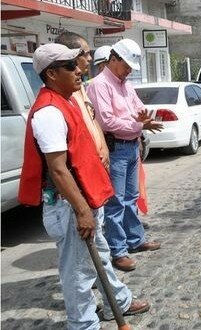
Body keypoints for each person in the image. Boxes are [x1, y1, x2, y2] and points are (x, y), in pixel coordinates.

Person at [18, 43, 150, 330]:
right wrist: (82, 211)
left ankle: (118, 302)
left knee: (99, 257)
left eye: (77, 64)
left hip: (85, 201)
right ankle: (83, 323)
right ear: (51, 74)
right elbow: (58, 169)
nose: (79, 70)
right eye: (70, 66)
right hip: (69, 206)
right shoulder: (49, 112)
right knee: (77, 271)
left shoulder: (66, 101)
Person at [87, 39, 163, 272]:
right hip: (116, 148)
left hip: (130, 146)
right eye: (127, 65)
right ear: (113, 59)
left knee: (131, 196)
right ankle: (118, 250)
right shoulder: (100, 85)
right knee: (116, 202)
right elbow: (107, 121)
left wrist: (144, 121)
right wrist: (139, 125)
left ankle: (135, 240)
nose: (129, 70)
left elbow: (138, 109)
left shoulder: (124, 84)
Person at [54, 32, 109, 172]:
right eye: (86, 54)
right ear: (71, 56)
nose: (90, 59)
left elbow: (92, 118)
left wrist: (104, 147)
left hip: (95, 163)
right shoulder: (60, 94)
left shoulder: (79, 87)